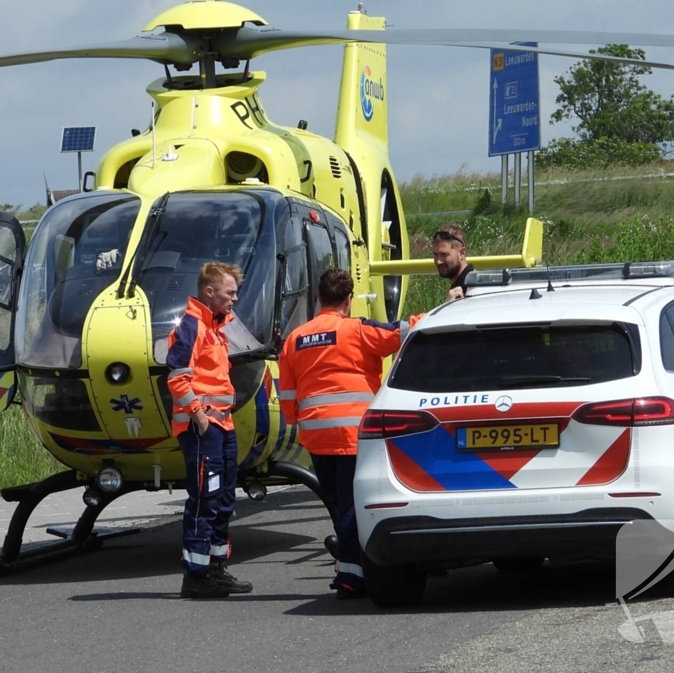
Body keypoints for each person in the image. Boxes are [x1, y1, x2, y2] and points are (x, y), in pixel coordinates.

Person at [278, 268, 422, 600]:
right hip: (353, 434)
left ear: (318, 298)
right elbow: (407, 332)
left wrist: (295, 422)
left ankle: (347, 566)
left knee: (337, 505)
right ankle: (351, 577)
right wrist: (443, 307)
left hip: (316, 436)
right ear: (349, 299)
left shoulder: (295, 338)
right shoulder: (357, 330)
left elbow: (287, 393)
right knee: (352, 507)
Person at [166, 261, 252, 599]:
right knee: (205, 499)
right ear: (210, 292)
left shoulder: (216, 327)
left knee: (223, 498)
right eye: (230, 293)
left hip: (222, 424)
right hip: (205, 427)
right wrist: (199, 417)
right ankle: (197, 575)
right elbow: (176, 376)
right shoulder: (192, 326)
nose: (234, 299)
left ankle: (216, 569)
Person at [431, 224, 474, 302]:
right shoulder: (462, 286)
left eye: (444, 254)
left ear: (461, 253)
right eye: (435, 255)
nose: (438, 261)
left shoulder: (471, 289)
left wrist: (448, 307)